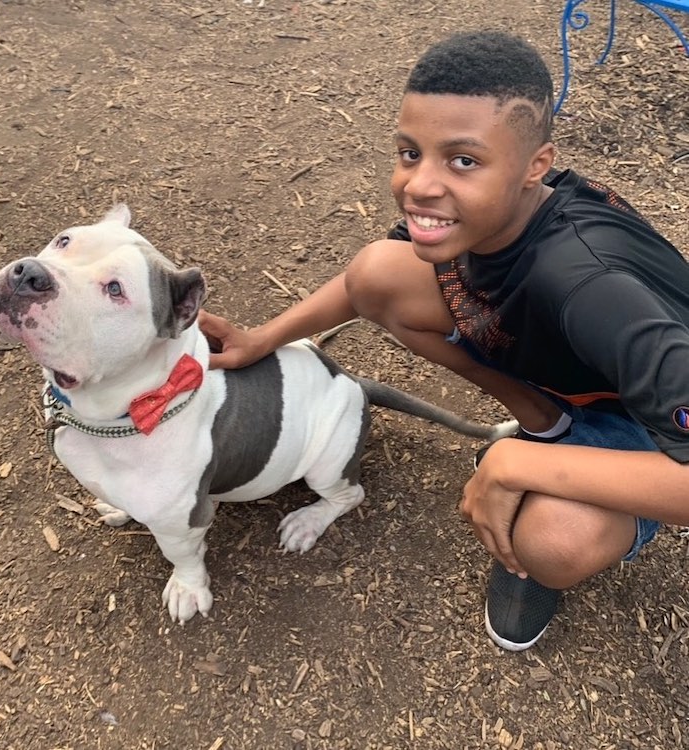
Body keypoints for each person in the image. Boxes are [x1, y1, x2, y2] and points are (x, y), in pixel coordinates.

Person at [200, 30, 689, 651]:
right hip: (574, 374)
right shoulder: (480, 220)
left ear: (536, 166)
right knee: (381, 272)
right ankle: (545, 425)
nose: (420, 185)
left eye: (463, 160)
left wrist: (514, 466)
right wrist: (259, 340)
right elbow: (364, 286)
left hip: (645, 426)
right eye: (409, 153)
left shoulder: (591, 287)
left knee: (553, 541)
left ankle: (530, 544)